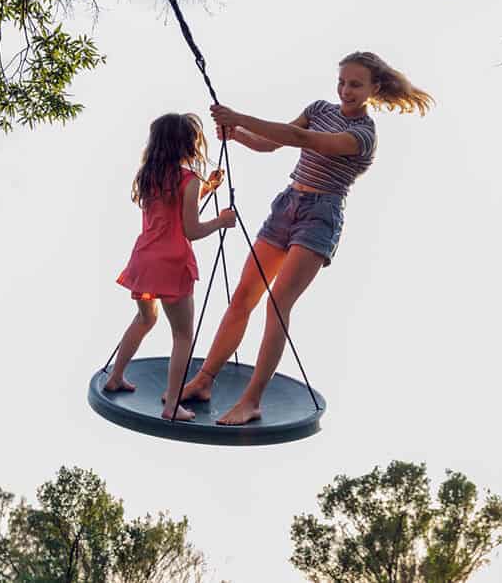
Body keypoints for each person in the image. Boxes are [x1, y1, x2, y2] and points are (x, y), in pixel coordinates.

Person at [179, 51, 434, 425]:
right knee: (243, 298)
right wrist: (237, 133)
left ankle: (252, 400)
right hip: (287, 205)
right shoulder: (318, 108)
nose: (345, 90)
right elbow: (271, 143)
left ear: (374, 89)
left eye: (355, 85)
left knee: (277, 306)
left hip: (320, 215)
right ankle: (203, 381)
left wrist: (240, 117)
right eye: (342, 82)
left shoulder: (363, 136)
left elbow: (301, 138)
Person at [105, 112, 236, 421]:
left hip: (144, 261)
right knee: (182, 336)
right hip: (173, 265)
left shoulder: (148, 176)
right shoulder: (187, 179)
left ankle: (115, 376)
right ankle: (171, 406)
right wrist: (221, 221)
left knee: (144, 320)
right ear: (187, 144)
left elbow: (170, 207)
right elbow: (191, 230)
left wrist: (208, 189)